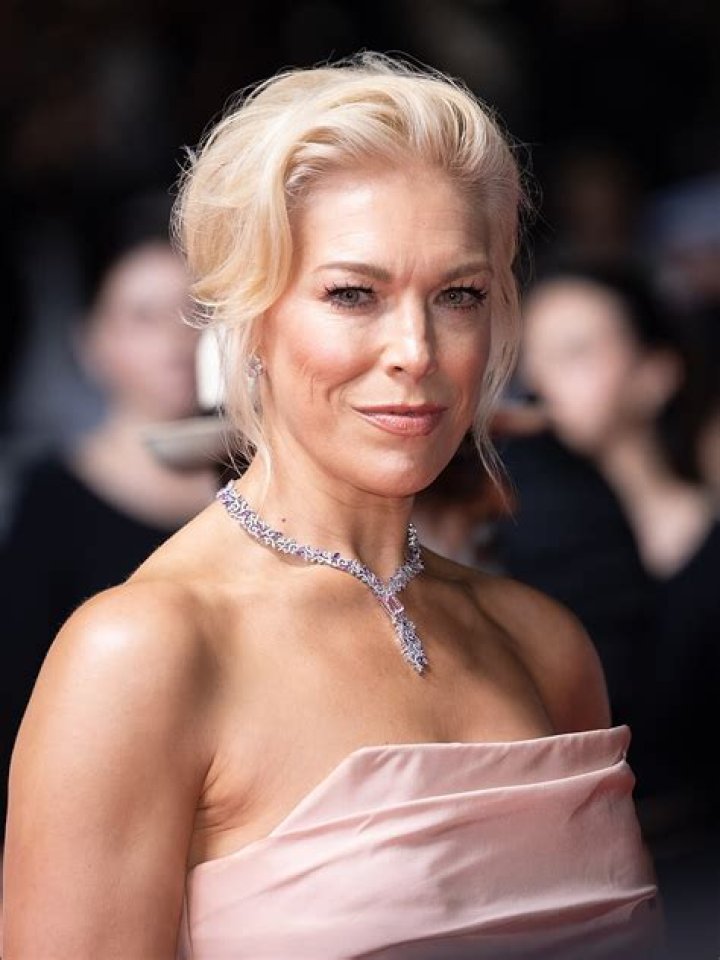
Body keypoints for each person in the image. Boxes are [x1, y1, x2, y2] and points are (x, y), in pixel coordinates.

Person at [4, 55, 659, 959]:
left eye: (459, 295)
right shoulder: (142, 655)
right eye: (354, 294)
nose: (415, 349)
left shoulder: (546, 645)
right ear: (249, 317)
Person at [497, 260, 719, 957]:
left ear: (655, 374)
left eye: (575, 352)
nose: (540, 382)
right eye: (531, 360)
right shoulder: (525, 541)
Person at [0, 238, 219, 834]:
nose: (176, 339)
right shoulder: (54, 499)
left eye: (195, 312)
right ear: (93, 342)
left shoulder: (263, 489)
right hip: (98, 816)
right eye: (144, 317)